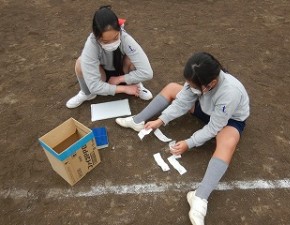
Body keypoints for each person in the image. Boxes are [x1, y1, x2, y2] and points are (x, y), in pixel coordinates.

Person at [116, 52, 250, 225]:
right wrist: (160, 120)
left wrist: (189, 143)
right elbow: (182, 102)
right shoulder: (199, 82)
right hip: (205, 107)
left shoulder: (229, 93)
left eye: (191, 84)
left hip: (228, 120)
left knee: (228, 142)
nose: (188, 86)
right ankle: (138, 121)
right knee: (172, 88)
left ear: (211, 84)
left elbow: (214, 127)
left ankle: (199, 197)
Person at [66, 5, 153, 108]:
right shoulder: (91, 44)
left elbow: (147, 72)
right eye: (105, 41)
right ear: (96, 35)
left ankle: (135, 86)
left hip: (122, 70)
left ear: (119, 29)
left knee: (132, 59)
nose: (112, 43)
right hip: (102, 74)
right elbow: (94, 86)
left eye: (116, 37)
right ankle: (87, 93)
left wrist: (119, 79)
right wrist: (124, 89)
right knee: (80, 63)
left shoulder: (125, 38)